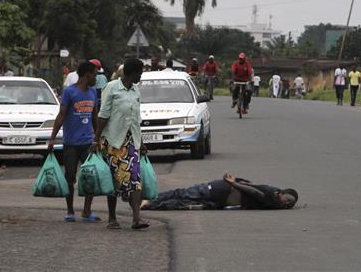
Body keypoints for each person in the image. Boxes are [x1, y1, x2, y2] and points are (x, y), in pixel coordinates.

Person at [94, 58, 148, 230]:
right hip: (113, 141)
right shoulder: (112, 88)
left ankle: (136, 219)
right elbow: (103, 115)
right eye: (140, 72)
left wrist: (142, 142)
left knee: (135, 180)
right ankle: (112, 218)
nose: (141, 75)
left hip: (131, 142)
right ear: (133, 73)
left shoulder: (136, 90)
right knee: (114, 182)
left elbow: (136, 119)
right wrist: (96, 139)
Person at [48, 61, 100, 222]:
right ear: (87, 75)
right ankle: (70, 211)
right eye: (95, 74)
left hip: (88, 143)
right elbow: (61, 116)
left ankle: (86, 210)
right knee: (70, 177)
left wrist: (98, 139)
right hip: (71, 143)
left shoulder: (93, 93)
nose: (96, 78)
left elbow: (95, 118)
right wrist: (52, 138)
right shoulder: (69, 92)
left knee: (90, 176)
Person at [141, 173, 298, 211]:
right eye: (288, 199)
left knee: (184, 203)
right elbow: (255, 192)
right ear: (283, 193)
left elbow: (253, 187)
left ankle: (149, 204)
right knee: (182, 194)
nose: (287, 203)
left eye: (289, 204)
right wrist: (234, 183)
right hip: (221, 189)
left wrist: (237, 181)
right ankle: (150, 200)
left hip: (221, 199)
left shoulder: (274, 201)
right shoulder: (272, 196)